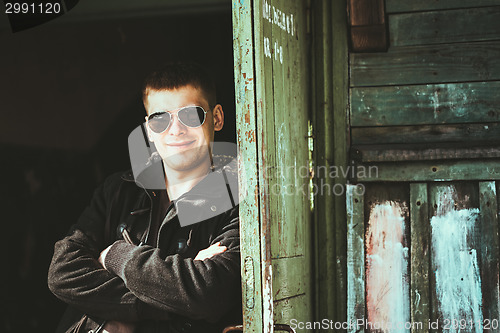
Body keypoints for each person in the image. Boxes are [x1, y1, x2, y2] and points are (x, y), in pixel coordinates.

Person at [48, 62, 242, 333]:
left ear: (217, 118)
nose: (175, 130)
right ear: (149, 130)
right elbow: (63, 274)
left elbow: (211, 294)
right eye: (160, 119)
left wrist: (115, 255)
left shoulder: (239, 198)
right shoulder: (117, 190)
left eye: (190, 115)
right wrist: (172, 300)